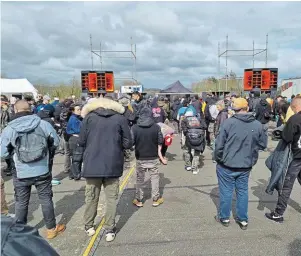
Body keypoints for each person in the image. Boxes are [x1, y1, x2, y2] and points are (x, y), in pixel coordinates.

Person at [0, 100, 65, 239]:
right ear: (30, 109)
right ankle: (51, 229)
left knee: (21, 201)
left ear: (15, 110)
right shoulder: (43, 124)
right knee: (46, 199)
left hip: (21, 172)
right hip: (42, 169)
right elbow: (57, 143)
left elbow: (2, 153)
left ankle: (19, 231)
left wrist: (13, 153)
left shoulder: (10, 128)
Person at [77, 97, 132, 241]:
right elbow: (128, 142)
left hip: (92, 163)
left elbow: (81, 141)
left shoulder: (89, 118)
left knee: (91, 197)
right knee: (112, 198)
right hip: (113, 162)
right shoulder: (120, 118)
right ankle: (109, 228)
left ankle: (89, 226)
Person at [214, 98, 267, 230]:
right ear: (247, 108)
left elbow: (219, 145)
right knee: (242, 191)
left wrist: (219, 158)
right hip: (246, 164)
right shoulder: (257, 125)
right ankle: (243, 219)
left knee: (226, 191)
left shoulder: (228, 123)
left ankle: (224, 217)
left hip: (227, 164)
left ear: (234, 109)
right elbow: (263, 144)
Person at [265, 96, 301, 222]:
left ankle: (278, 213)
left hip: (295, 157)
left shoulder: (295, 119)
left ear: (295, 107)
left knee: (286, 186)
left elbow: (287, 137)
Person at [131, 107, 167, 208]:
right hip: (153, 156)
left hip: (140, 156)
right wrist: (160, 154)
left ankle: (138, 199)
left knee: (140, 179)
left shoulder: (135, 127)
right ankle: (155, 199)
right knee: (155, 177)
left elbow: (131, 142)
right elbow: (160, 141)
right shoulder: (156, 127)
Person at [181, 109, 207, 174]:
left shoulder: (184, 120)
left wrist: (186, 133)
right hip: (199, 137)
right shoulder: (199, 119)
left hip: (189, 136)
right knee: (197, 153)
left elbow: (184, 130)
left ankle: (188, 165)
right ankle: (194, 169)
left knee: (187, 151)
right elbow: (205, 126)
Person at [66, 104, 83, 180]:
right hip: (75, 138)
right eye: (78, 110)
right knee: (77, 157)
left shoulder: (76, 118)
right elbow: (77, 129)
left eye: (80, 109)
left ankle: (74, 173)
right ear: (73, 111)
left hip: (75, 138)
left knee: (77, 157)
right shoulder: (73, 119)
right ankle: (76, 174)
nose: (80, 111)